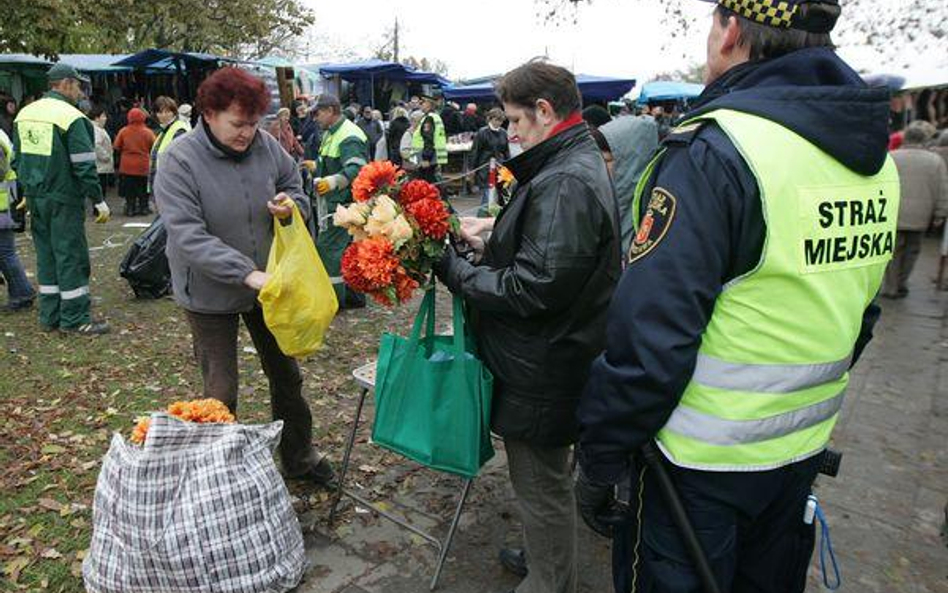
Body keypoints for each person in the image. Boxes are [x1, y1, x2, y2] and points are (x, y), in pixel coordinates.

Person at [575, 2, 900, 592]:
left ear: (729, 32)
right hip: (797, 455)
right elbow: (862, 311)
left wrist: (600, 457)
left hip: (692, 473)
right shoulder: (875, 163)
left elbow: (649, 340)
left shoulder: (716, 151)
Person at [435, 60, 620, 593]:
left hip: (544, 365)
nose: (510, 132)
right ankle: (548, 558)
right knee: (546, 481)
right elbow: (555, 256)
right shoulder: (570, 163)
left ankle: (549, 578)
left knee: (541, 485)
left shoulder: (563, 179)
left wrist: (455, 269)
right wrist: (492, 239)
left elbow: (532, 288)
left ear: (544, 111)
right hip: (553, 357)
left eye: (515, 119)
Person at [154, 67, 334, 486]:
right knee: (221, 390)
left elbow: (295, 182)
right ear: (210, 113)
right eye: (238, 124)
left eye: (254, 123)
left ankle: (299, 457)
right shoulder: (179, 160)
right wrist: (246, 274)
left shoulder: (267, 145)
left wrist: (294, 205)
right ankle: (222, 480)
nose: (247, 133)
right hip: (208, 292)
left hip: (267, 285)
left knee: (287, 376)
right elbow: (187, 236)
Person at [12, 63, 111, 335]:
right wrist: (98, 199)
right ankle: (75, 319)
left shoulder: (25, 114)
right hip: (64, 197)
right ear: (65, 84)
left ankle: (50, 315)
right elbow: (83, 165)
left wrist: (26, 191)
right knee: (70, 256)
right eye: (78, 85)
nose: (80, 91)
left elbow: (17, 158)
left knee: (46, 256)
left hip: (35, 197)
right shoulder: (72, 117)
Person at [311, 93, 370, 309]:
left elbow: (356, 168)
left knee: (328, 249)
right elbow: (331, 162)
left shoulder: (349, 135)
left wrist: (333, 181)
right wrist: (315, 167)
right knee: (346, 250)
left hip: (345, 204)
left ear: (329, 111)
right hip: (338, 203)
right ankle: (354, 297)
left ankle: (333, 301)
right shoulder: (332, 132)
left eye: (317, 113)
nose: (314, 117)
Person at [885, 121, 948, 298]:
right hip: (921, 215)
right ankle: (902, 282)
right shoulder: (935, 161)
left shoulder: (892, 156)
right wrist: (940, 214)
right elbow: (942, 189)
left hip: (894, 212)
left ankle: (890, 286)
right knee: (912, 251)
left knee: (892, 251)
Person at [594, 115, 659, 254]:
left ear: (630, 162)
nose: (597, 166)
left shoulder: (657, 211)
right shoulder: (597, 198)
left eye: (606, 160)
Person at [0, 128, 35, 312]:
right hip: (5, 202)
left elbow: (1, 171)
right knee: (6, 253)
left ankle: (22, 294)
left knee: (5, 253)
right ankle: (22, 293)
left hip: (2, 205)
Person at [113, 107, 155, 216]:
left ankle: (130, 209)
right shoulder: (148, 132)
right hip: (143, 166)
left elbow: (116, 146)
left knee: (129, 190)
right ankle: (143, 208)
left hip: (127, 166)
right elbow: (154, 147)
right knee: (143, 189)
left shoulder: (123, 131)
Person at [149, 96, 190, 198]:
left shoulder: (179, 130)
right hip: (162, 186)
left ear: (174, 112)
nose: (163, 115)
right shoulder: (163, 132)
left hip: (172, 188)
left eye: (167, 112)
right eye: (160, 112)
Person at [470, 107, 510, 209]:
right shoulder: (482, 132)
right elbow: (475, 151)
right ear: (490, 119)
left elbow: (506, 151)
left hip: (500, 167)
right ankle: (482, 216)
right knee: (487, 195)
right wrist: (472, 169)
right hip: (485, 166)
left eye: (501, 120)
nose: (499, 123)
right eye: (496, 120)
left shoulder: (503, 133)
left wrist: (509, 166)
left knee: (502, 195)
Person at [412, 94, 448, 182]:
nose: (421, 105)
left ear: (429, 104)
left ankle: (442, 195)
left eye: (422, 102)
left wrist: (426, 158)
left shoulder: (429, 119)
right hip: (433, 157)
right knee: (431, 181)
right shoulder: (435, 117)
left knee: (427, 184)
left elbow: (428, 139)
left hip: (427, 158)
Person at [89, 107, 114, 197]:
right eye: (103, 116)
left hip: (100, 166)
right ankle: (99, 210)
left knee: (100, 190)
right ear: (96, 118)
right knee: (100, 191)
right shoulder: (96, 130)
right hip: (100, 166)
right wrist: (106, 156)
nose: (105, 118)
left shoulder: (98, 128)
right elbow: (96, 145)